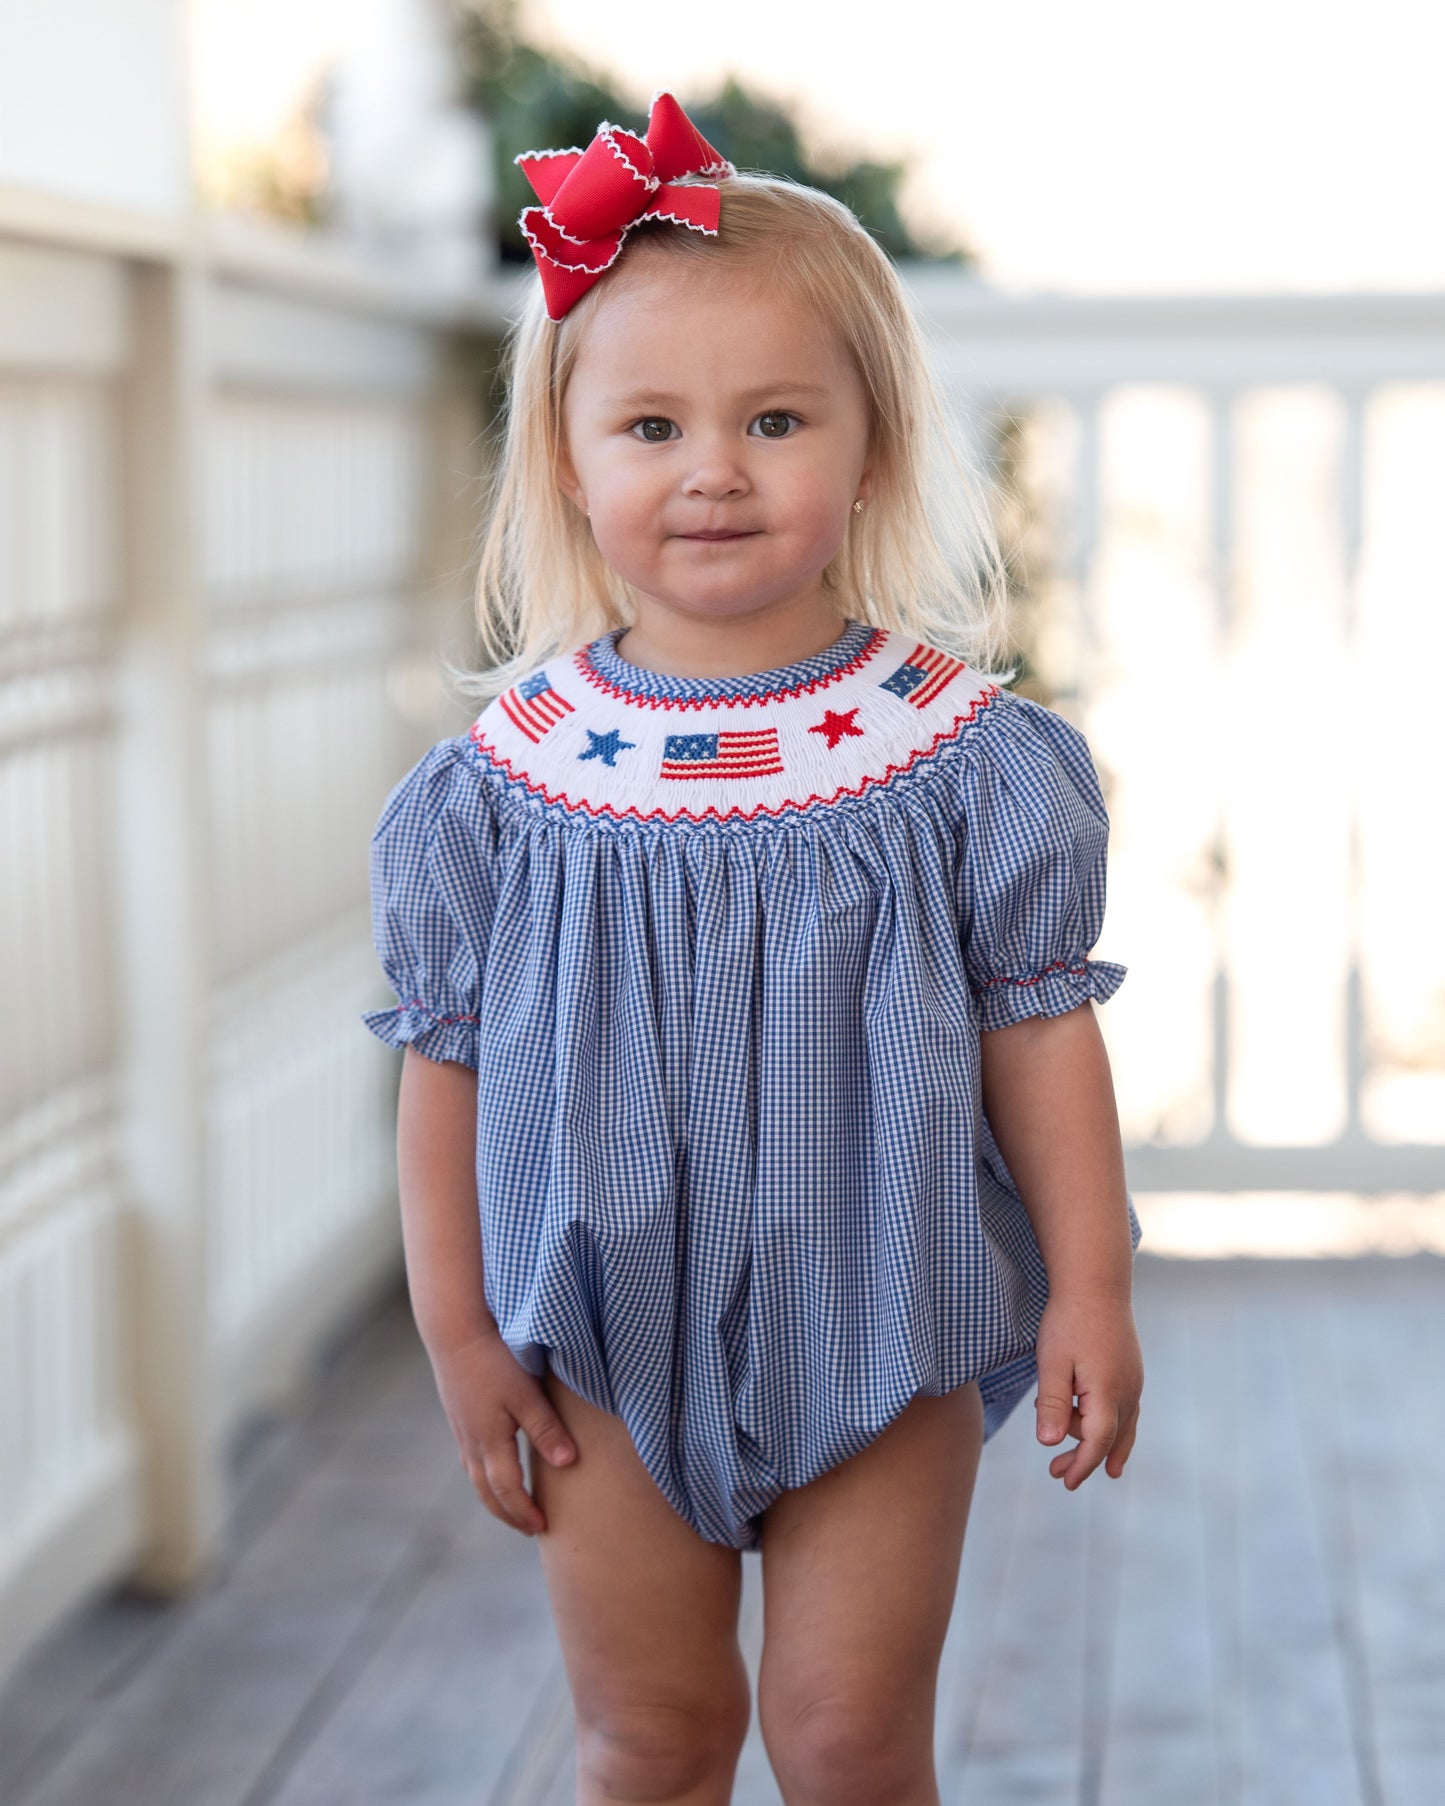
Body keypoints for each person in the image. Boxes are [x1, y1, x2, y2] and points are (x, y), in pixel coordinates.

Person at [363, 90, 1144, 1806]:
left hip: (887, 1310)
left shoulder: (947, 756)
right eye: (649, 424)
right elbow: (448, 1060)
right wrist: (460, 1336)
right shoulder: (505, 785)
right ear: (566, 459)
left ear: (869, 445)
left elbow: (1036, 1031)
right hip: (595, 1345)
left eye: (774, 418)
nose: (711, 468)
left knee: (849, 1738)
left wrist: (1090, 1283)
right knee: (651, 1736)